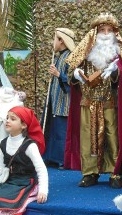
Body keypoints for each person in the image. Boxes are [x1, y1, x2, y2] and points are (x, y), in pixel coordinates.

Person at [64, 12, 122, 188]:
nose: (106, 34)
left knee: (112, 136)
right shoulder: (85, 52)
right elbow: (70, 71)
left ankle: (114, 172)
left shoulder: (119, 53)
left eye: (110, 30)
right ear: (95, 32)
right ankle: (89, 173)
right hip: (88, 101)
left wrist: (116, 72)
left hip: (110, 101)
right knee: (88, 137)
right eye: (102, 30)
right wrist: (75, 74)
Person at [0, 106, 47, 215]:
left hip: (26, 182)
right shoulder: (4, 143)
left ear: (23, 125)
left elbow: (41, 169)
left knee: (11, 206)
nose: (7, 120)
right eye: (7, 118)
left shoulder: (30, 146)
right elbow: (0, 167)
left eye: (13, 119)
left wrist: (43, 191)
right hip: (10, 181)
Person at [41, 28, 75, 169]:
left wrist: (58, 74)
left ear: (61, 40)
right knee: (52, 128)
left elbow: (73, 81)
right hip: (54, 100)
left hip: (64, 102)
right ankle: (50, 157)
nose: (53, 42)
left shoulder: (70, 58)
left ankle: (62, 159)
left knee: (62, 132)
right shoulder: (58, 56)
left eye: (55, 38)